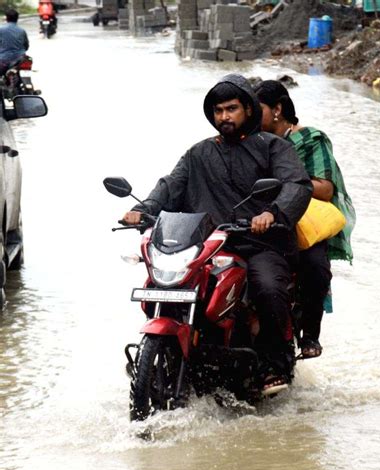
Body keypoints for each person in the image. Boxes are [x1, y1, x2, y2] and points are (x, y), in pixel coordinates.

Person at [122, 74, 313, 392]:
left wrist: (272, 214)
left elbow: (296, 185)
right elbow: (172, 184)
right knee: (166, 283)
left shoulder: (273, 147)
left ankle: (275, 365)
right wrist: (144, 208)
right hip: (206, 246)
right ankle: (166, 357)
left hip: (260, 243)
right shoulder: (199, 153)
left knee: (267, 288)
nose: (224, 116)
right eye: (218, 111)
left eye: (231, 109)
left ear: (248, 111)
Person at [254, 80, 356, 359]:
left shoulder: (310, 139)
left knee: (315, 266)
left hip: (300, 222)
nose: (251, 114)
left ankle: (310, 333)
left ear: (277, 109)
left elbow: (325, 188)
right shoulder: (251, 142)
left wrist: (289, 187)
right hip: (258, 220)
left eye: (257, 108)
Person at [0, 9, 29, 75]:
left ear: (6, 18)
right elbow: (26, 46)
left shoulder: (1, 30)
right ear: (17, 18)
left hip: (4, 60)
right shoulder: (22, 31)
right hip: (20, 59)